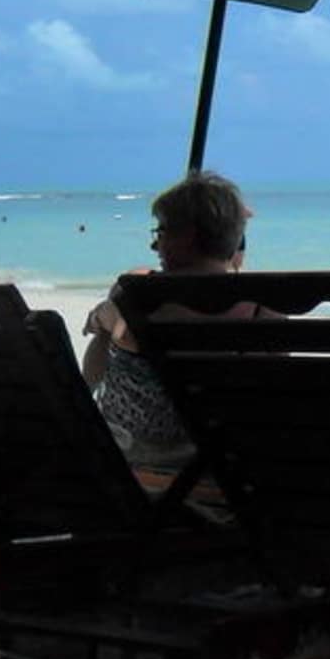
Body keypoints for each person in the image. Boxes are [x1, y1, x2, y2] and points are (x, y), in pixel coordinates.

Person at [80, 170, 258, 472]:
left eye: (160, 233)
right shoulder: (260, 309)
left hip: (129, 452)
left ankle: (83, 401)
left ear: (187, 237)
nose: (154, 246)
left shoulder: (138, 290)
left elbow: (119, 328)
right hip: (212, 458)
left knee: (106, 334)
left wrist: (102, 316)